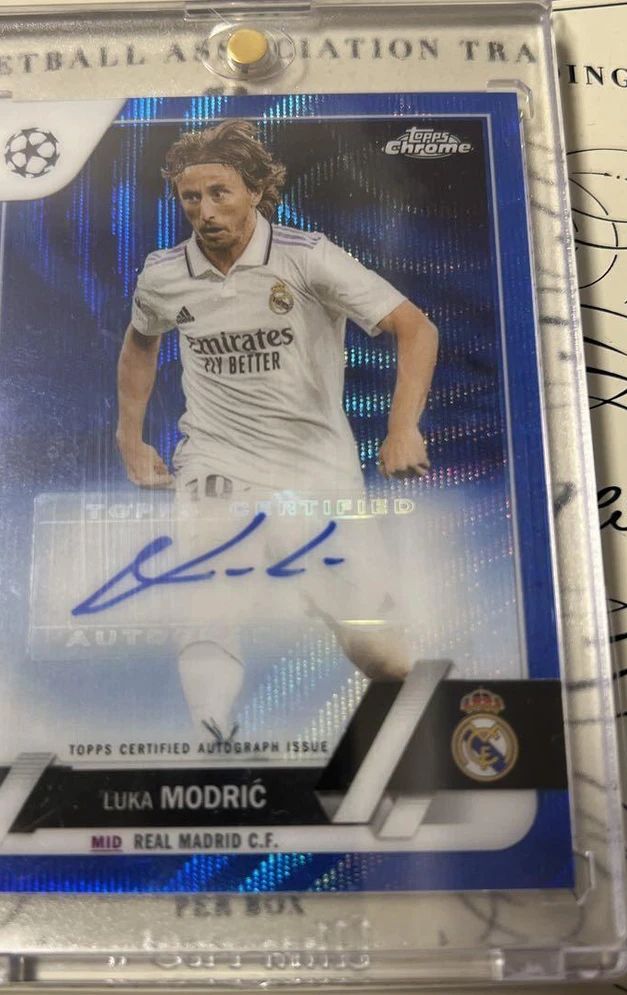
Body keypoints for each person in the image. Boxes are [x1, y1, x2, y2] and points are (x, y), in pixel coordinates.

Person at [116, 119, 439, 741]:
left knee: (381, 654)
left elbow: (415, 328)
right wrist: (130, 438)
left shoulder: (306, 256)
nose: (205, 210)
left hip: (315, 469)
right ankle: (213, 744)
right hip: (216, 462)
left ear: (258, 191)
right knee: (207, 604)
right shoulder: (164, 273)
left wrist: (403, 428)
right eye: (190, 197)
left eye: (220, 193)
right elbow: (140, 343)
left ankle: (421, 738)